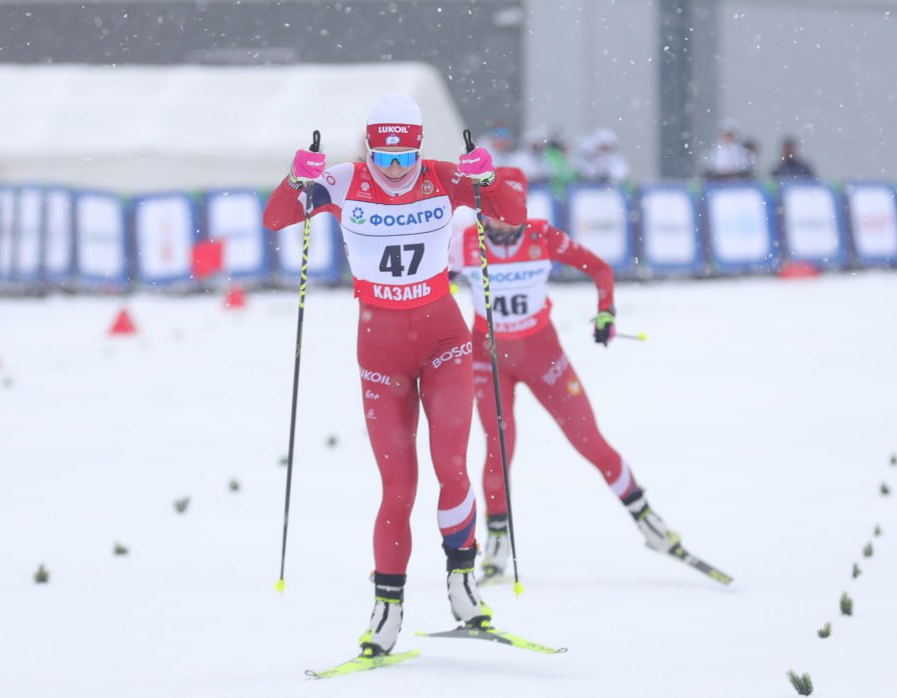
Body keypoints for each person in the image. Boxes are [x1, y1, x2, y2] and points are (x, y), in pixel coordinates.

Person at [262, 94, 527, 657]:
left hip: (444, 342)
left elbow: (511, 211)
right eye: (383, 154)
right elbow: (275, 218)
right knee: (398, 488)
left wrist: (490, 176)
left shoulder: (442, 176)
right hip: (380, 356)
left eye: (405, 153)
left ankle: (462, 581)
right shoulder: (341, 181)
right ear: (368, 145)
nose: (395, 168)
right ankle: (387, 608)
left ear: (419, 144)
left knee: (451, 465)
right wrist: (294, 180)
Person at [456, 166, 684, 585]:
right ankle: (497, 545)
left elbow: (599, 269)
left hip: (544, 357)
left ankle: (647, 520)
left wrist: (605, 312)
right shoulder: (464, 243)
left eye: (510, 210)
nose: (501, 219)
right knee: (499, 447)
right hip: (488, 358)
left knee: (588, 439)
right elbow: (426, 282)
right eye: (492, 209)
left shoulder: (542, 236)